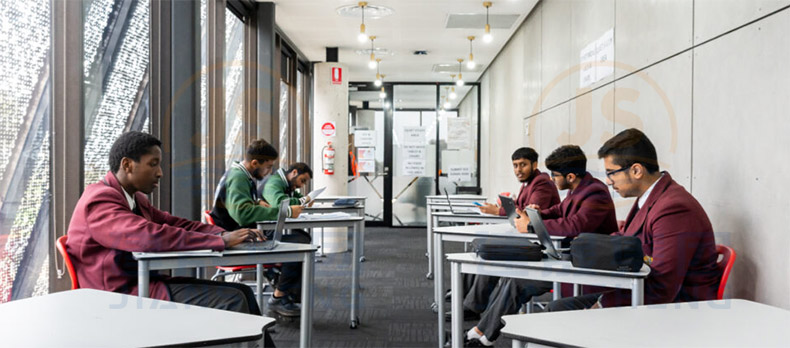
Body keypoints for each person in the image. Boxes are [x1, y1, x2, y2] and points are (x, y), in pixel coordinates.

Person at [66, 132, 275, 345]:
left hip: (141, 284)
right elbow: (148, 237)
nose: (160, 173)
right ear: (127, 165)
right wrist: (220, 242)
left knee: (241, 291)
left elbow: (173, 223)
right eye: (153, 164)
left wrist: (220, 234)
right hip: (118, 297)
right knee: (233, 300)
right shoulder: (100, 200)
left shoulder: (133, 197)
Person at [546, 128, 720, 312]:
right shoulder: (652, 197)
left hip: (674, 311)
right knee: (556, 307)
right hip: (639, 293)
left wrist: (603, 304)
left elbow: (662, 288)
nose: (608, 181)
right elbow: (626, 240)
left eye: (611, 172)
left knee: (559, 313)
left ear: (637, 170)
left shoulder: (674, 208)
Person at [464, 145, 618, 347]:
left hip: (586, 266)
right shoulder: (578, 189)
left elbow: (575, 225)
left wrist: (530, 225)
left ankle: (483, 336)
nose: (552, 180)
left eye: (555, 176)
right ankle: (483, 333)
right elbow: (557, 210)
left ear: (570, 176)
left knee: (518, 282)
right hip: (568, 258)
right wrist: (536, 213)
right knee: (513, 279)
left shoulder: (595, 193)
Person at [457, 147, 561, 322]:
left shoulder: (541, 183)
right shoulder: (528, 183)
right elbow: (519, 208)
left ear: (534, 164)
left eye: (523, 165)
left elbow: (527, 215)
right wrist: (505, 207)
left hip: (538, 244)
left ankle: (472, 306)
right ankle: (463, 297)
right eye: (515, 165)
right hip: (527, 237)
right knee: (479, 246)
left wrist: (498, 211)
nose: (518, 170)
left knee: (492, 253)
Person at [210, 140, 310, 317]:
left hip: (239, 233)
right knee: (299, 243)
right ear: (255, 163)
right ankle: (280, 296)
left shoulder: (239, 175)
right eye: (268, 167)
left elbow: (234, 204)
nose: (269, 172)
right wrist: (285, 211)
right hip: (236, 239)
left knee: (299, 238)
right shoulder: (238, 178)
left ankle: (281, 287)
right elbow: (242, 214)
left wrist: (255, 201)